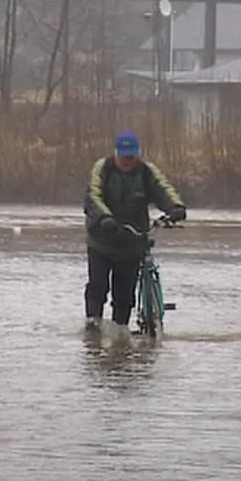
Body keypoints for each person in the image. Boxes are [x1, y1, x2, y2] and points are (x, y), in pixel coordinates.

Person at [83, 129, 187, 332]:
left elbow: (162, 188)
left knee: (124, 295)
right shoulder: (103, 168)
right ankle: (93, 328)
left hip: (132, 241)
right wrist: (105, 218)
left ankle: (120, 332)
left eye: (132, 157)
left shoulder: (146, 171)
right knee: (98, 287)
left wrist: (176, 207)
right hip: (102, 241)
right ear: (117, 154)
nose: (128, 162)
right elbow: (93, 196)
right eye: (124, 158)